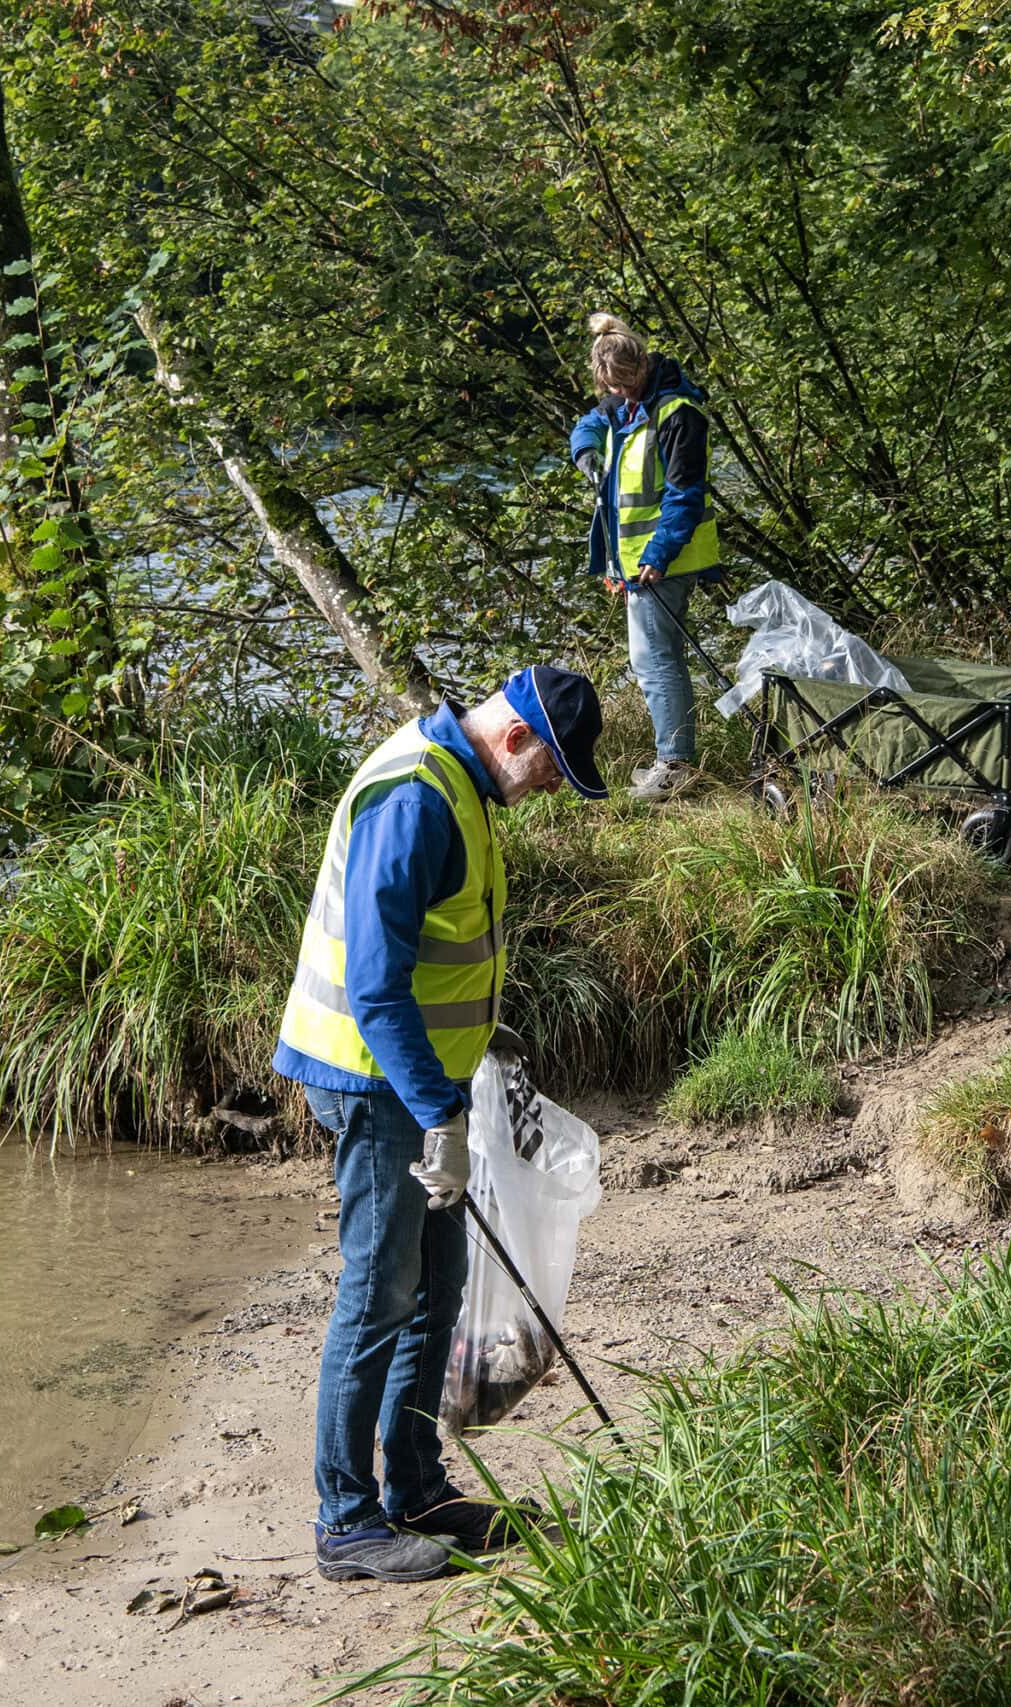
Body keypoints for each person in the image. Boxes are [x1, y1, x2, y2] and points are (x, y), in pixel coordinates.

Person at [271, 665, 608, 1582]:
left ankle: (417, 1490)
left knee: (437, 1285)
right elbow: (376, 991)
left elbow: (441, 953)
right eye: (550, 770)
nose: (546, 790)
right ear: (513, 738)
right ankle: (346, 1520)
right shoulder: (418, 799)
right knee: (381, 1288)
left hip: (420, 1084)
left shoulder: (463, 784)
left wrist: (483, 1044)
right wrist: (441, 1120)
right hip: (373, 1083)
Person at [568, 313, 719, 802]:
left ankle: (674, 766)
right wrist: (586, 451)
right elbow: (590, 422)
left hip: (665, 559)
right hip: (637, 562)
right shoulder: (624, 405)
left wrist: (658, 553)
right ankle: (674, 760)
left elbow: (685, 495)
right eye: (612, 386)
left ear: (643, 365)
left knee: (654, 662)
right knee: (658, 659)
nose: (622, 393)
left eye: (628, 383)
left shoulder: (678, 414)